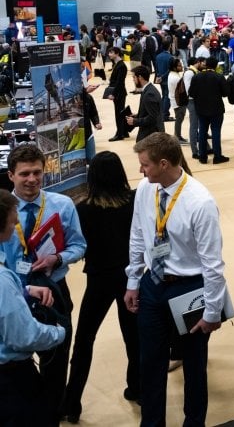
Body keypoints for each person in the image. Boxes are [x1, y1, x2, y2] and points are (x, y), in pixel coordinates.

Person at [124, 132, 228, 426]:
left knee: (194, 366)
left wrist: (212, 311)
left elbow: (212, 264)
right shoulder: (146, 189)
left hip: (189, 287)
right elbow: (138, 234)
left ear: (165, 163)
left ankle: (194, 422)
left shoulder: (200, 202)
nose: (140, 171)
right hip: (152, 285)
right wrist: (133, 280)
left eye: (145, 165)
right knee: (150, 362)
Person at [1, 144, 87, 425]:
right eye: (24, 174)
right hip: (11, 294)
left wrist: (58, 258)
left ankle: (52, 412)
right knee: (16, 361)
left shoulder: (61, 205)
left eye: (37, 172)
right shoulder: (2, 212)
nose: (32, 179)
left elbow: (79, 245)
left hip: (53, 293)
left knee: (55, 363)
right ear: (11, 175)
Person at [62, 152, 140, 423]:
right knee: (133, 336)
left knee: (84, 339)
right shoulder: (133, 202)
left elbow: (78, 246)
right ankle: (137, 387)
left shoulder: (83, 208)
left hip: (98, 279)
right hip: (130, 278)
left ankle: (72, 401)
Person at [0, 188, 66, 426]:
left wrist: (24, 291)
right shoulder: (3, 280)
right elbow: (24, 337)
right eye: (11, 219)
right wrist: (59, 332)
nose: (16, 221)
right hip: (11, 380)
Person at [188, 56, 230, 164]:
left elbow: (191, 93)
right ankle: (217, 156)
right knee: (216, 132)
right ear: (216, 66)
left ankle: (203, 156)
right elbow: (226, 93)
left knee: (202, 131)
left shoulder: (197, 77)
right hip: (216, 108)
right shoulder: (219, 77)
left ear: (206, 64)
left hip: (201, 109)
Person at [125, 65, 165, 143]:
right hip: (151, 134)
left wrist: (135, 121)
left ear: (140, 77)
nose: (133, 80)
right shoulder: (148, 89)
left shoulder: (149, 94)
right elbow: (151, 112)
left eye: (134, 77)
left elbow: (152, 118)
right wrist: (137, 115)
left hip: (151, 136)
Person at [107, 46, 130, 141]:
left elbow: (119, 82)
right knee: (120, 112)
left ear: (117, 53)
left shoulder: (121, 66)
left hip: (119, 93)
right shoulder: (116, 64)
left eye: (111, 52)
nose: (109, 54)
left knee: (118, 113)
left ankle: (120, 134)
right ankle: (124, 131)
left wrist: (113, 94)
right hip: (118, 92)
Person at [166, 57, 188, 144]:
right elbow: (183, 89)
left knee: (179, 119)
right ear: (174, 67)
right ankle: (177, 137)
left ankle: (178, 135)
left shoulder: (172, 74)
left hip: (175, 99)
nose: (181, 67)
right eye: (179, 66)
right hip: (178, 101)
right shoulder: (175, 78)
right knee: (179, 119)